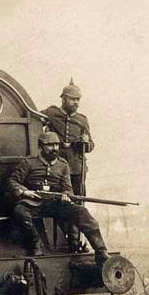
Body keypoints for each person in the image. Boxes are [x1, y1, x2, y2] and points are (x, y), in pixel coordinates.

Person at [6, 131, 109, 264]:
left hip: (56, 205)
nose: (55, 148)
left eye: (56, 145)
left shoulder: (63, 165)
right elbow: (12, 181)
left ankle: (101, 251)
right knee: (20, 211)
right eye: (50, 145)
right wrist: (25, 192)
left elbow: (68, 188)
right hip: (34, 203)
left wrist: (66, 195)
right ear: (41, 146)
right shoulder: (29, 163)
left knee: (82, 212)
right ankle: (36, 244)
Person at [42, 79, 94, 249]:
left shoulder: (82, 120)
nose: (76, 103)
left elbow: (91, 146)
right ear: (63, 99)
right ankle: (64, 240)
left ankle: (75, 240)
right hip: (56, 169)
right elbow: (35, 120)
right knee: (58, 203)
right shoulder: (51, 113)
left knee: (76, 205)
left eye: (78, 100)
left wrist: (85, 142)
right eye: (73, 99)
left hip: (76, 170)